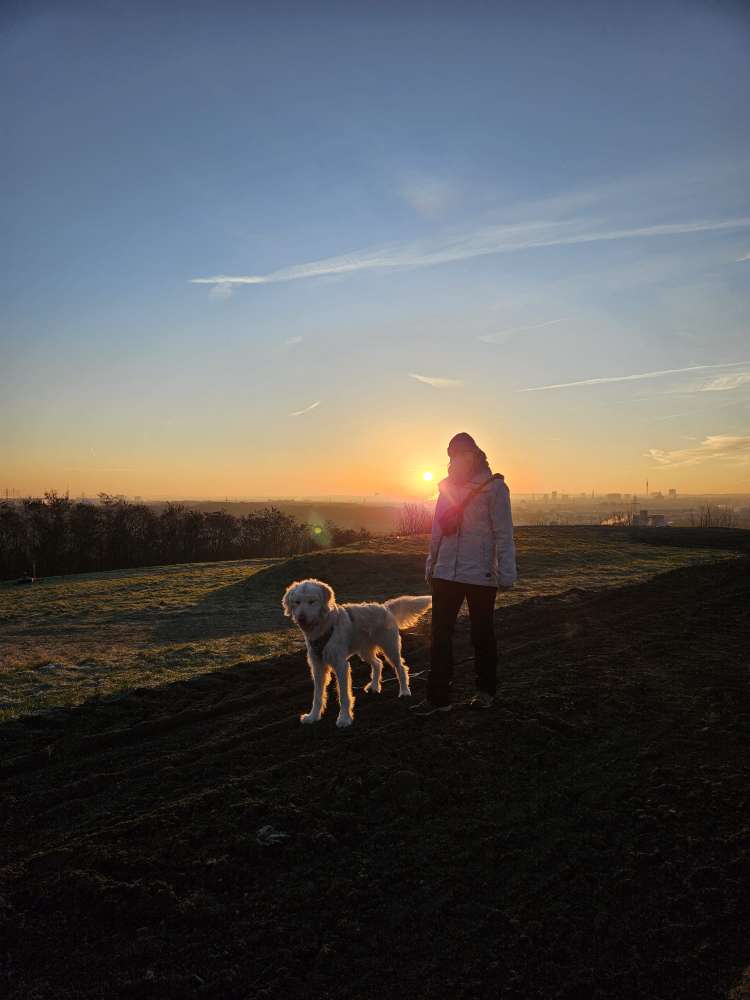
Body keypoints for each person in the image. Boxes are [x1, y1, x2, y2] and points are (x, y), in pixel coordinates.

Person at [411, 432, 517, 717]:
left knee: (482, 636)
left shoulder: (494, 488)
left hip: (480, 575)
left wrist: (506, 573)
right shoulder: (445, 487)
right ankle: (437, 698)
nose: (457, 460)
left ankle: (486, 691)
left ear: (476, 454)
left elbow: (503, 533)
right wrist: (431, 565)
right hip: (446, 573)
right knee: (440, 636)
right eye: (453, 456)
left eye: (463, 454)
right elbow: (436, 531)